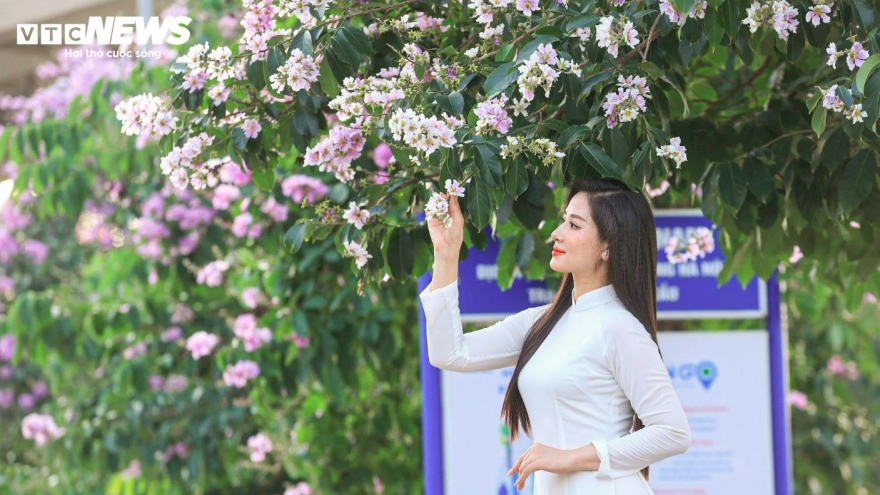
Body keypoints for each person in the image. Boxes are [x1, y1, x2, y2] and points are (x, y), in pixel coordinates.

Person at [419, 178, 690, 494]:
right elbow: (450, 353)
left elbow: (673, 432)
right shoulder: (543, 322)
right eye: (564, 220)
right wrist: (446, 253)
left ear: (609, 246)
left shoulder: (620, 327)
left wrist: (569, 457)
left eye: (574, 225)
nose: (556, 233)